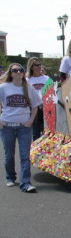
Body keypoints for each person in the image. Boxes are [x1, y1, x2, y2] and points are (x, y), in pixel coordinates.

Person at [0, 63, 42, 192]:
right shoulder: (3, 87)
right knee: (9, 155)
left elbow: (36, 105)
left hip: (24, 126)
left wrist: (30, 121)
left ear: (24, 73)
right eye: (15, 70)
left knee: (25, 156)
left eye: (21, 70)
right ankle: (10, 177)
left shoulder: (28, 88)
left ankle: (26, 183)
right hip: (7, 126)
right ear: (11, 73)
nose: (18, 72)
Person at [26, 57, 50, 140]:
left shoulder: (46, 78)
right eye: (36, 65)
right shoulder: (27, 80)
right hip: (34, 107)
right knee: (35, 132)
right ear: (31, 67)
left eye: (40, 65)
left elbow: (52, 91)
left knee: (46, 131)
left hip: (46, 107)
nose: (39, 67)